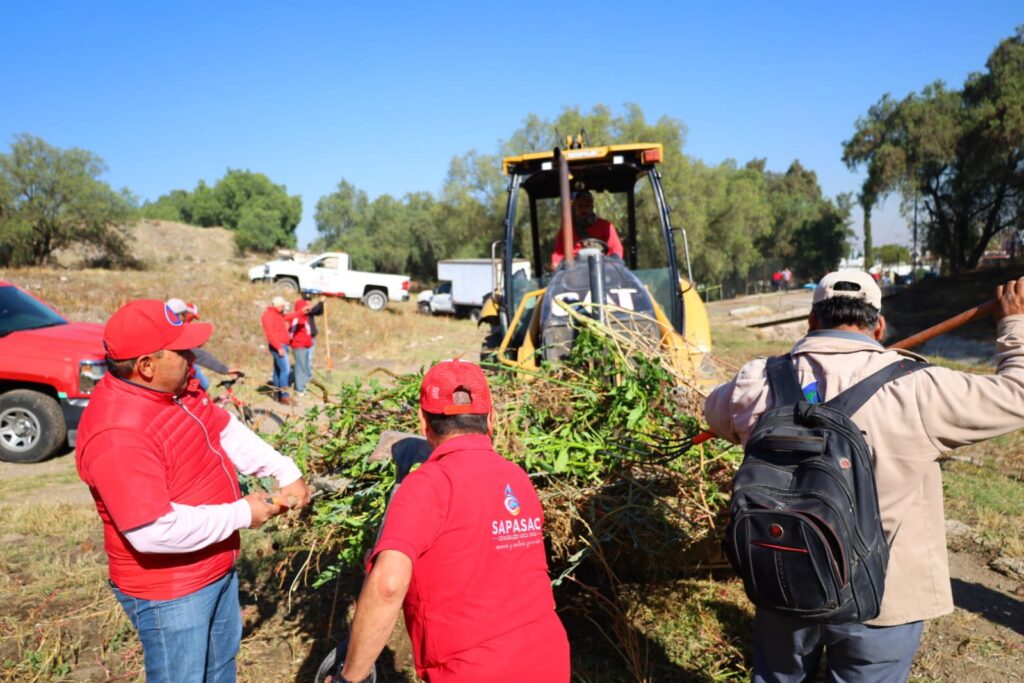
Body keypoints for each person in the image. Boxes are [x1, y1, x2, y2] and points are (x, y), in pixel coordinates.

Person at [704, 271, 1024, 682]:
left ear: (811, 322)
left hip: (784, 580)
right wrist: (1012, 323)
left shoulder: (756, 380)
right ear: (879, 326)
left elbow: (713, 413)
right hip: (883, 601)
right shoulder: (918, 388)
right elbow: (1016, 395)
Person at [75, 299, 312, 683]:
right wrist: (242, 513)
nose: (192, 357)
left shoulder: (176, 392)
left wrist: (284, 469)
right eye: (181, 350)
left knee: (219, 670)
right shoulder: (118, 434)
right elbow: (153, 531)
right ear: (146, 366)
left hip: (214, 565)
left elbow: (222, 429)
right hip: (172, 590)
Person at [339, 359, 570, 682]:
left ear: (423, 422)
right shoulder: (517, 478)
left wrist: (349, 678)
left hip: (475, 671)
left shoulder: (427, 485)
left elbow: (388, 585)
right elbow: (484, 555)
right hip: (549, 659)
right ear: (491, 419)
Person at [166, 298, 240, 391]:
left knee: (199, 388)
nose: (189, 318)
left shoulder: (162, 331)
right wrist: (224, 369)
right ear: (181, 315)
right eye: (186, 314)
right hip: (178, 376)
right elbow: (198, 354)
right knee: (202, 386)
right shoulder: (176, 332)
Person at [550, 189, 624, 268]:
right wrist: (555, 263)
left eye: (587, 206)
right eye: (580, 206)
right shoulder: (566, 230)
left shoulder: (605, 226)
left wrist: (613, 262)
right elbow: (558, 253)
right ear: (575, 208)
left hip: (601, 267)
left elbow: (616, 249)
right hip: (574, 270)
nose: (583, 210)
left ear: (592, 207)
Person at [261, 295, 291, 404]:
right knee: (285, 370)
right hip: (279, 346)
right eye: (283, 305)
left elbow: (288, 317)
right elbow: (270, 334)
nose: (284, 308)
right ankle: (284, 395)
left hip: (282, 345)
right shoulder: (268, 316)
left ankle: (277, 394)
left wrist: (301, 312)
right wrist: (278, 347)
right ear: (280, 305)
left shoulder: (277, 314)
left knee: (278, 370)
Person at [289, 299, 313, 396]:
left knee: (305, 367)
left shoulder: (305, 317)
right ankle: (299, 389)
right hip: (299, 345)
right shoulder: (296, 318)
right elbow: (291, 332)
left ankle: (303, 386)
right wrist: (292, 342)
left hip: (306, 345)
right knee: (300, 367)